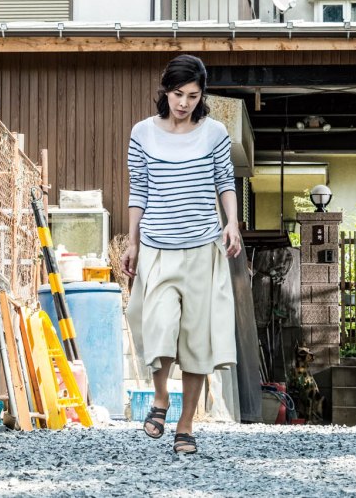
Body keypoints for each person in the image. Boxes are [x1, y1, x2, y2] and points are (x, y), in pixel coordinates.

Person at [121, 54, 241, 455]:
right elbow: (139, 189)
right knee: (157, 326)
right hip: (158, 247)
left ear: (201, 95)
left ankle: (186, 424)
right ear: (165, 91)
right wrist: (133, 242)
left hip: (203, 248)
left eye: (192, 95)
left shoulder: (214, 133)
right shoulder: (142, 133)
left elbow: (225, 180)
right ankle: (160, 398)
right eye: (177, 94)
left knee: (196, 339)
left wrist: (232, 222)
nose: (184, 103)